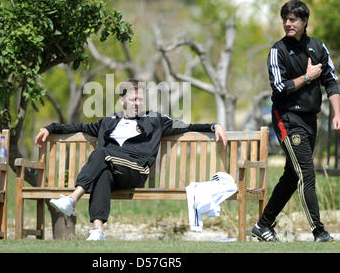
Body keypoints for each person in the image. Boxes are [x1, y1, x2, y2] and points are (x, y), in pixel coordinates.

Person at [35, 79, 227, 241]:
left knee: (102, 154)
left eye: (140, 100)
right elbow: (78, 127)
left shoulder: (154, 120)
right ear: (122, 101)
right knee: (102, 172)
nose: (137, 103)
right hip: (112, 167)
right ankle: (97, 230)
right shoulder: (108, 121)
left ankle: (72, 199)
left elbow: (187, 126)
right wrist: (49, 128)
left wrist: (213, 126)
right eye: (133, 99)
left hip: (135, 170)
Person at [251, 0, 340, 242]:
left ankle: (263, 225)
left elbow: (331, 82)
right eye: (285, 19)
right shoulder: (277, 50)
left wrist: (337, 114)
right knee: (306, 173)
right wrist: (307, 76)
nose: (287, 23)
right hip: (287, 118)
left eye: (293, 19)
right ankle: (319, 231)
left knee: (293, 176)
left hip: (310, 119)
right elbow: (279, 88)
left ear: (304, 22)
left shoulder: (318, 47)